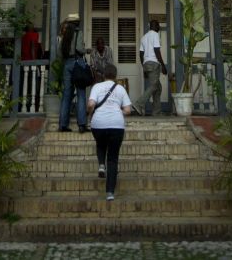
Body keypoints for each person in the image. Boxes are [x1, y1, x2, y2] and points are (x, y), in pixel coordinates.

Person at [87, 62, 132, 201]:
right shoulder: (121, 89)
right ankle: (110, 193)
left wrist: (90, 112)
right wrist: (119, 111)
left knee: (100, 143)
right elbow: (128, 110)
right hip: (116, 125)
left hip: (98, 124)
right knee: (112, 159)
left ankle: (101, 165)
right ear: (115, 76)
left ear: (104, 75)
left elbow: (90, 104)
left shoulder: (97, 86)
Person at [58, 13, 89, 133]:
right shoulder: (78, 33)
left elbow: (59, 54)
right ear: (77, 23)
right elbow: (80, 49)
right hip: (78, 63)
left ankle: (63, 125)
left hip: (67, 65)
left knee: (66, 95)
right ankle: (82, 124)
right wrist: (86, 50)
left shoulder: (65, 35)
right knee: (81, 94)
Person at [137, 20, 166, 116]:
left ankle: (156, 112)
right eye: (158, 25)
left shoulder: (144, 37)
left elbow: (141, 54)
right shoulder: (155, 35)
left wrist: (144, 67)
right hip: (154, 63)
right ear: (154, 26)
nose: (159, 27)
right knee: (154, 86)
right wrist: (163, 65)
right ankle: (139, 103)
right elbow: (156, 50)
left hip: (146, 63)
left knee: (158, 87)